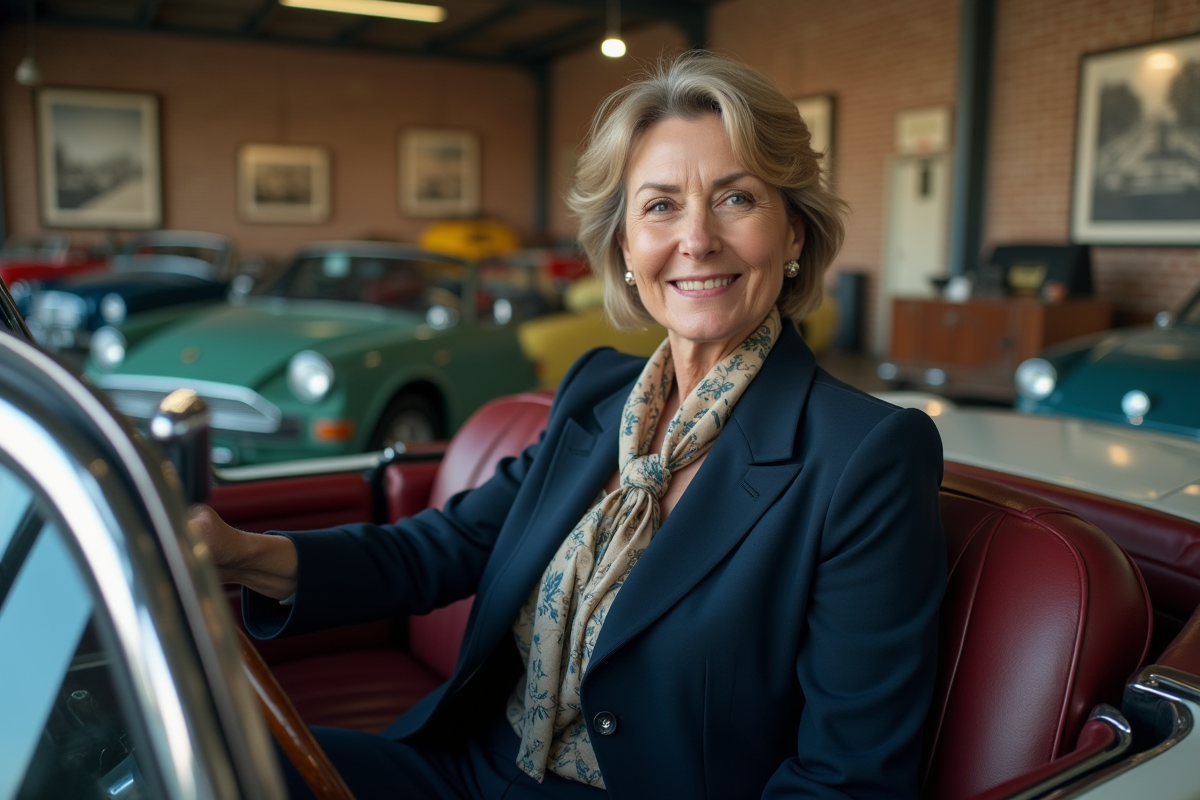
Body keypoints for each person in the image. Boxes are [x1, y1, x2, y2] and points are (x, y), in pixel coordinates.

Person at [192, 50, 946, 800]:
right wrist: (240, 555)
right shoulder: (596, 395)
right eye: (659, 206)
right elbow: (446, 547)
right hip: (468, 768)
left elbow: (846, 780)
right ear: (624, 247)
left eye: (736, 199)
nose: (696, 239)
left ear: (793, 236)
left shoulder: (865, 456)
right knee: (205, 756)